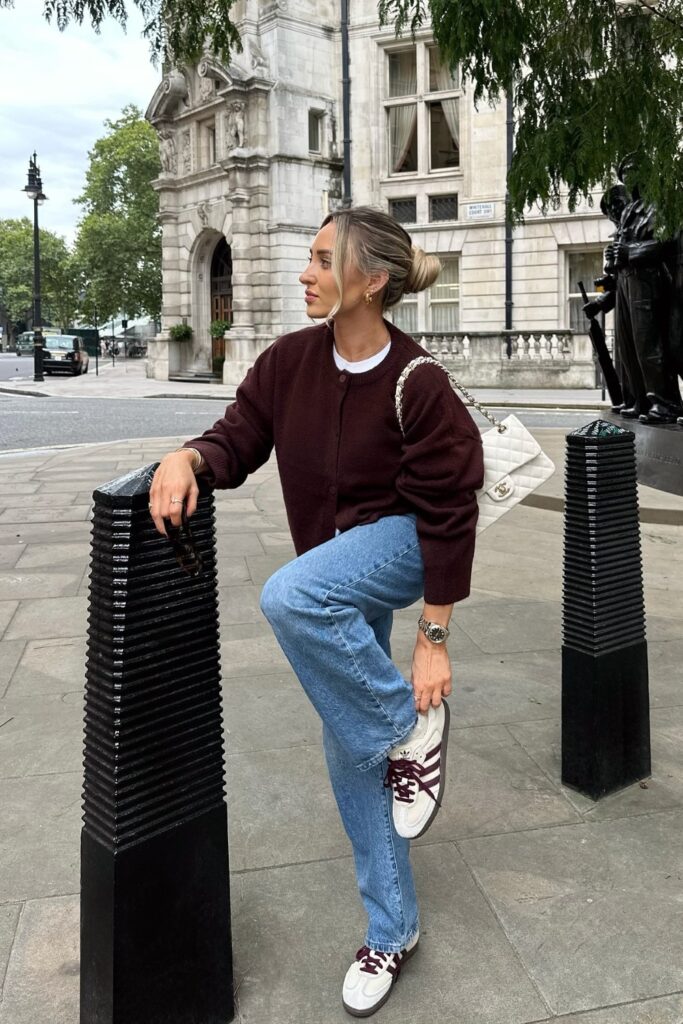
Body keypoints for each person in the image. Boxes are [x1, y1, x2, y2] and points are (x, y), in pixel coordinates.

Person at [149, 206, 484, 1017]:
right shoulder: (289, 362)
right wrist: (187, 455)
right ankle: (392, 929)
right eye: (309, 257)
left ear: (371, 282)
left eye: (324, 260)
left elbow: (450, 510)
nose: (305, 272)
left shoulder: (418, 379)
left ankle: (408, 729)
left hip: (404, 545)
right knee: (350, 748)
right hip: (335, 568)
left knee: (291, 594)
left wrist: (433, 638)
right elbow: (238, 437)